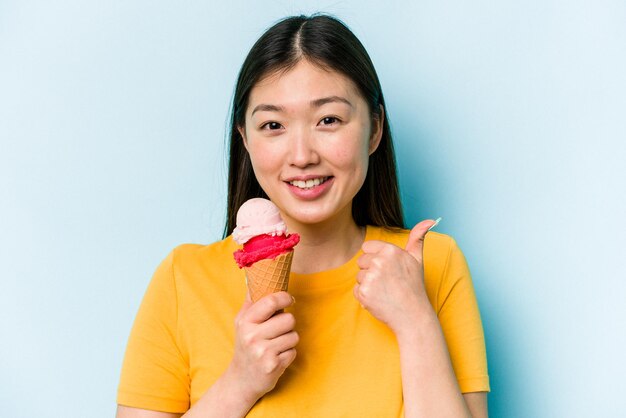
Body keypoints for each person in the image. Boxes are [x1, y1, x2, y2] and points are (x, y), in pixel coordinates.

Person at [116, 14, 490, 418]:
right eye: (273, 124)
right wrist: (240, 383)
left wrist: (416, 325)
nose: (301, 156)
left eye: (328, 120)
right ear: (245, 139)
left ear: (375, 129)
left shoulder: (430, 264)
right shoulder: (184, 279)